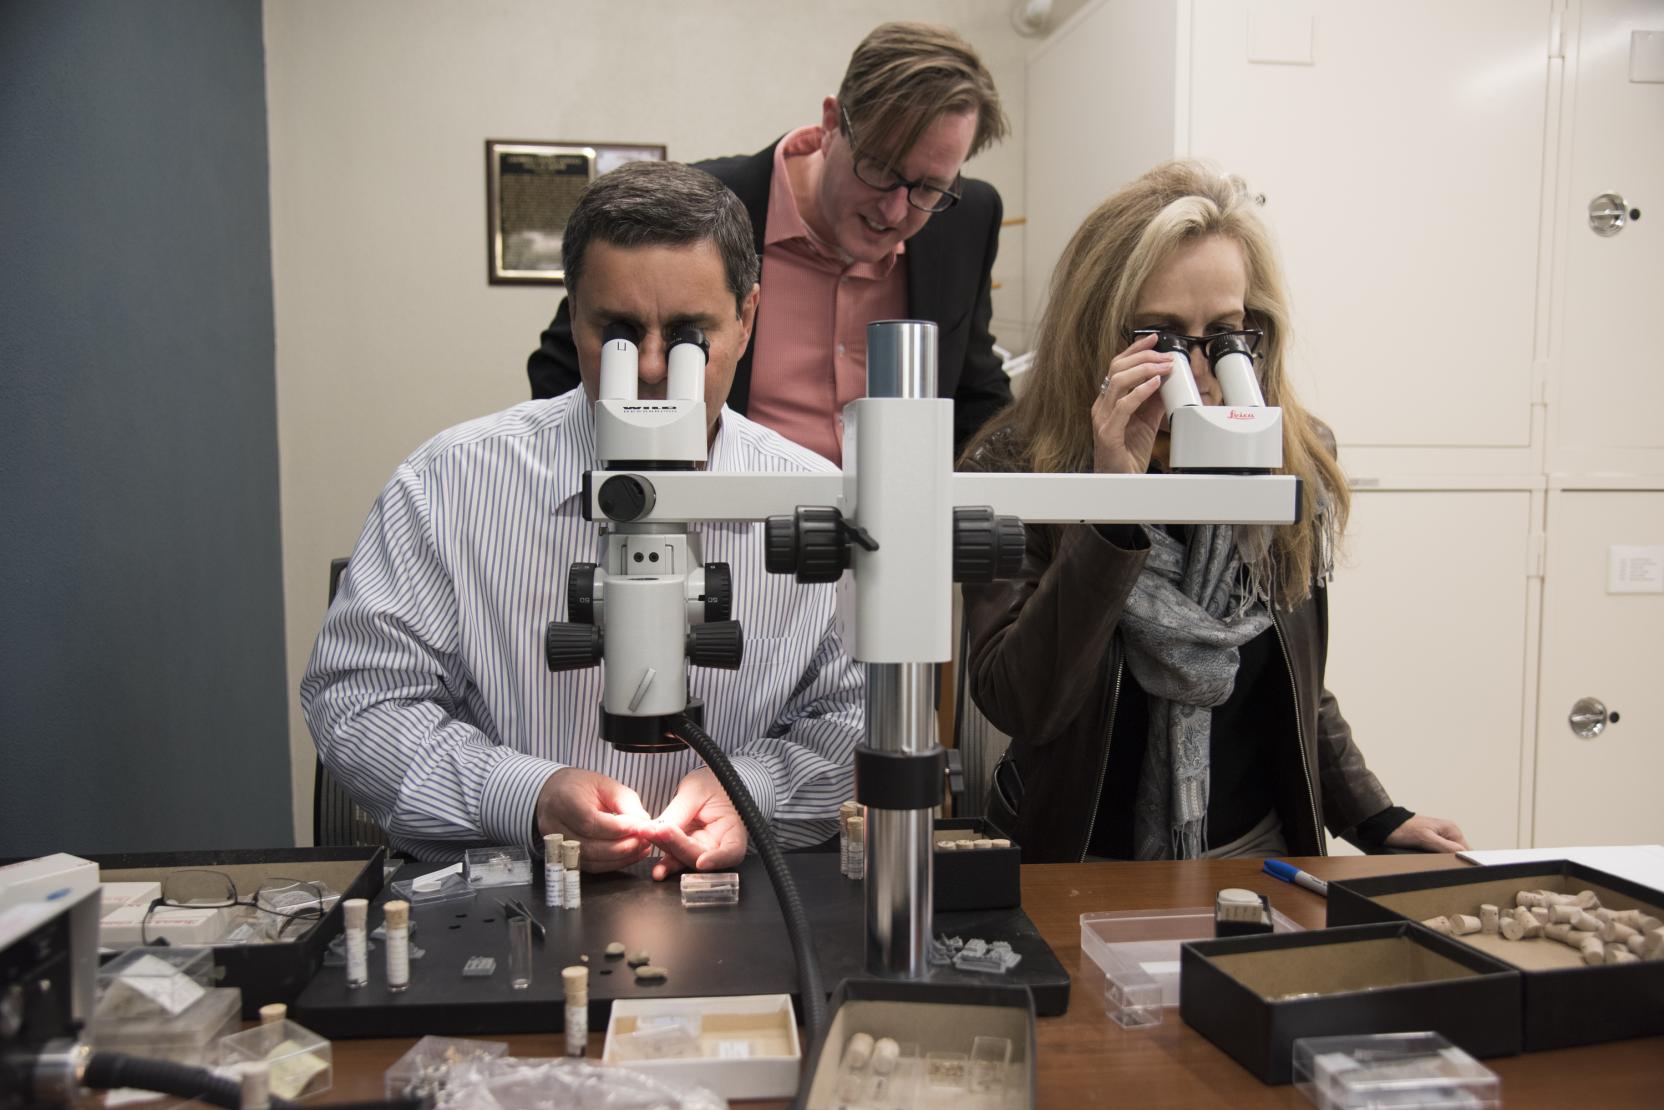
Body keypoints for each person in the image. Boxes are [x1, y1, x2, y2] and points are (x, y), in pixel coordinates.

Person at [303, 161, 862, 874]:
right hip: (514, 894)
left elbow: (853, 718)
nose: (656, 369)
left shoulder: (815, 499)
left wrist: (751, 791)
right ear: (573, 315)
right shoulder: (449, 484)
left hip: (739, 894)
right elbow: (360, 702)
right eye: (621, 334)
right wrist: (523, 796)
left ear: (747, 318)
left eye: (691, 335)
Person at [959, 161, 1468, 863]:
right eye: (1161, 336)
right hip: (1077, 855)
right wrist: (1114, 505)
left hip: (1252, 849)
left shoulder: (1293, 457)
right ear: (1096, 332)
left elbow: (1291, 678)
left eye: (1225, 335)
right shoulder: (1014, 467)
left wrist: (1374, 814)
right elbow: (1023, 702)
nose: (1196, 370)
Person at [527, 21, 1013, 463]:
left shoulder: (967, 219)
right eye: (881, 169)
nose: (895, 211)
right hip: (734, 531)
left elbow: (976, 391)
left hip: (897, 534)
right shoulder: (704, 210)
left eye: (929, 188)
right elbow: (565, 367)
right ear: (831, 123)